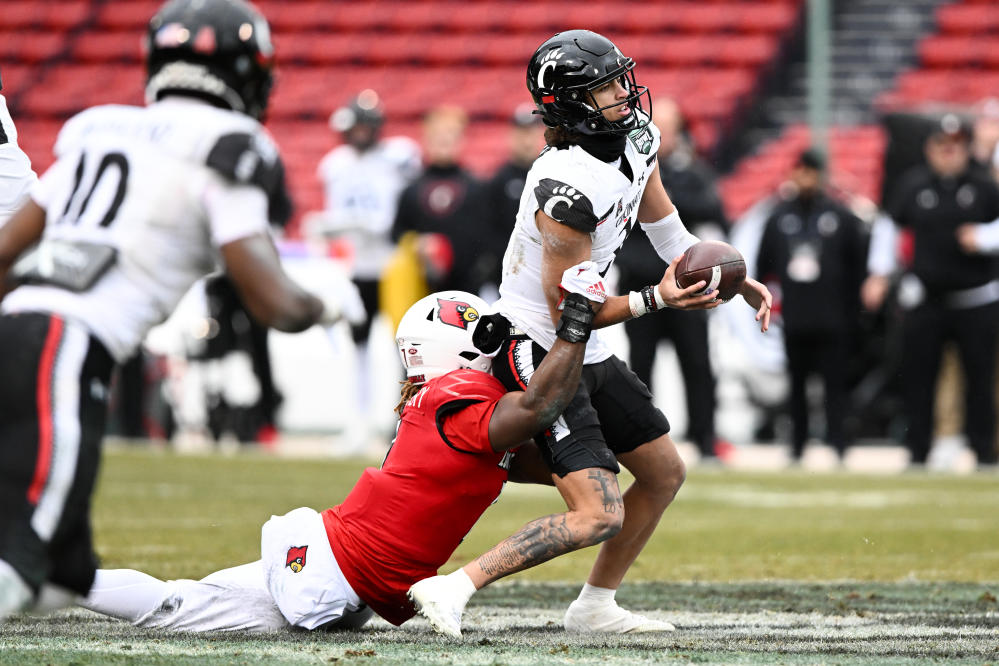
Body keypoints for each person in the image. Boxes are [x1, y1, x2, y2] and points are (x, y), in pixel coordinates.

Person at [408, 30, 773, 637]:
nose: (623, 96)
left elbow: (665, 225)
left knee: (662, 472)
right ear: (571, 104)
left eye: (620, 80)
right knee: (597, 512)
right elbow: (565, 312)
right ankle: (453, 586)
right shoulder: (564, 187)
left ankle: (594, 605)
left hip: (586, 343)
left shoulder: (637, 138)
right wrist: (656, 298)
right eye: (606, 87)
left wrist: (726, 277)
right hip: (539, 348)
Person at [0, 0, 351, 621]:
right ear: (248, 71)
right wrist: (327, 305)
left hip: (23, 333)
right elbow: (270, 300)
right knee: (19, 575)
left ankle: (147, 598)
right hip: (65, 346)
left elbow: (8, 247)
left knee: (61, 576)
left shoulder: (97, 127)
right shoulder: (231, 143)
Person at [77, 275, 605, 632]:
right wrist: (576, 321)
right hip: (330, 569)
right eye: (484, 331)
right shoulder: (454, 397)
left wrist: (605, 438)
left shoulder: (464, 407)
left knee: (181, 603)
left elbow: (558, 456)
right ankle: (59, 578)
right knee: (175, 607)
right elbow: (540, 408)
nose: (499, 341)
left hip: (354, 581)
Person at [863, 113, 999, 466]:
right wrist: (879, 273)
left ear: (966, 148)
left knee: (979, 380)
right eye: (942, 144)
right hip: (927, 297)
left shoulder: (984, 185)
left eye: (955, 145)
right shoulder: (913, 185)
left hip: (976, 298)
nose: (948, 152)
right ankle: (918, 449)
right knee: (919, 377)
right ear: (930, 147)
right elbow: (888, 228)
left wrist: (984, 238)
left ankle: (982, 450)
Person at [615, 97, 730, 462]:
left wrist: (665, 201)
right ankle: (641, 442)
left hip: (687, 285)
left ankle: (706, 439)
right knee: (640, 368)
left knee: (696, 362)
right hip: (640, 283)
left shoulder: (693, 172)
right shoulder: (628, 169)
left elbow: (713, 210)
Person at [756, 148, 867, 462]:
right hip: (796, 316)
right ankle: (798, 444)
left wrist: (853, 311)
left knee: (835, 385)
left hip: (834, 317)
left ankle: (839, 443)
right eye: (800, 171)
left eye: (811, 171)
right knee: (797, 386)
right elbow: (763, 266)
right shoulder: (779, 218)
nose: (805, 177)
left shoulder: (841, 216)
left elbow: (857, 266)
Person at [311, 89, 421, 346]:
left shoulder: (398, 155)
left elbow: (403, 212)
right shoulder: (335, 165)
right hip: (357, 264)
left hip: (393, 261)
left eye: (364, 127)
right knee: (358, 341)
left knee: (404, 338)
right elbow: (334, 216)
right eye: (355, 127)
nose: (360, 133)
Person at [390, 106, 491, 295]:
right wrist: (417, 243)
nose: (444, 140)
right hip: (421, 286)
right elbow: (396, 233)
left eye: (451, 134)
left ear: (462, 140)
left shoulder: (478, 188)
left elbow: (488, 234)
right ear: (426, 139)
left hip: (468, 286)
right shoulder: (410, 189)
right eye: (437, 135)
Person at [482, 103, 546, 293]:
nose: (526, 140)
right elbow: (489, 228)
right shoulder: (498, 181)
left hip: (543, 269)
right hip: (506, 273)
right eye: (521, 133)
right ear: (512, 136)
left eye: (530, 133)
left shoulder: (550, 173)